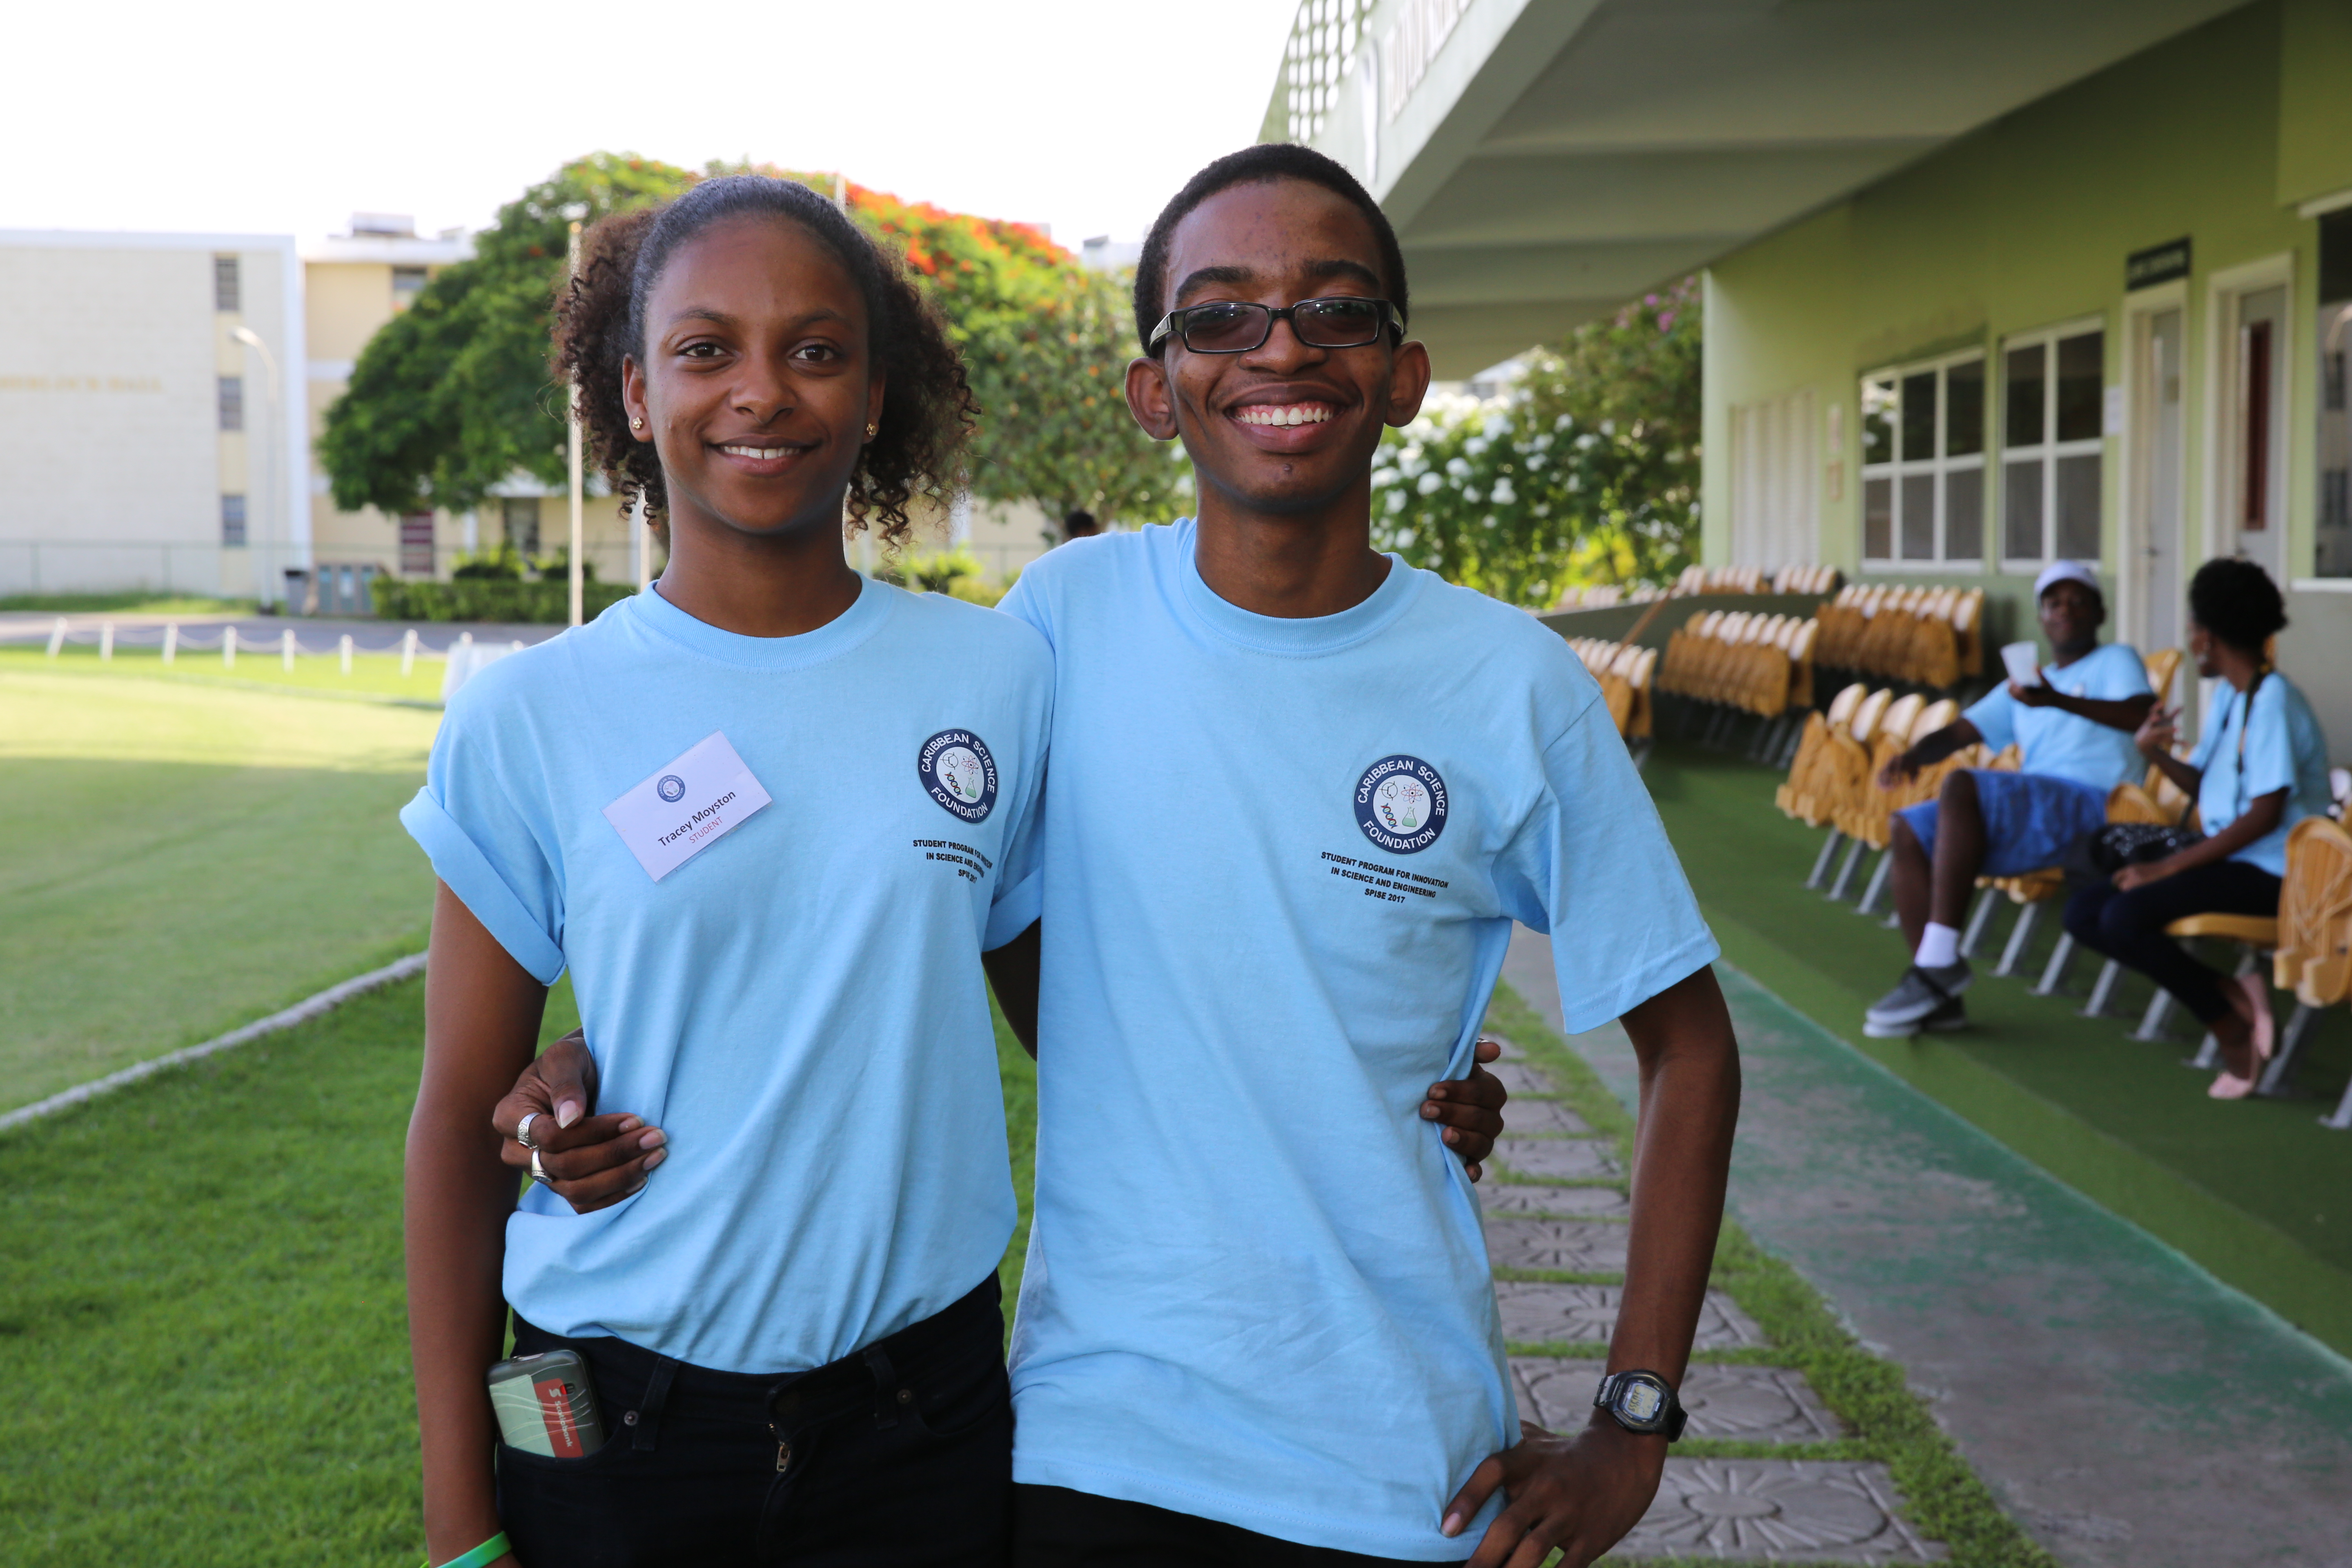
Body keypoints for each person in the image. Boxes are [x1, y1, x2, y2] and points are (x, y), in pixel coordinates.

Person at [499, 145, 1739, 1568]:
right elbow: (884, 884)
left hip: (1402, 1465)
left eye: (1335, 310)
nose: (1281, 345)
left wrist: (1633, 1425)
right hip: (1094, 1450)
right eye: (1219, 314)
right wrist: (606, 1048)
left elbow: (1690, 1047)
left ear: (1403, 375)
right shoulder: (1057, 630)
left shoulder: (1512, 687)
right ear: (1158, 388)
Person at [2065, 557, 2332, 1099]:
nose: (2189, 641)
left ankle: (2228, 1026)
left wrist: (2165, 867)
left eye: (2192, 629)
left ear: (2208, 638)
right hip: (2234, 860)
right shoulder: (2234, 696)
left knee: (2123, 916)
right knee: (2085, 912)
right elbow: (2206, 786)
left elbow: (2264, 813)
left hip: (2278, 877)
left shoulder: (2273, 701)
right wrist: (2155, 753)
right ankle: (2233, 992)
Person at [1864, 562, 2155, 1038]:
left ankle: (1937, 965)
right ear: (2042, 618)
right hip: (2036, 809)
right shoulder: (2024, 687)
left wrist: (2055, 700)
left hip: (2096, 807)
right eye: (2054, 602)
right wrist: (1914, 755)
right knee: (1908, 827)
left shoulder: (2116, 660)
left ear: (2100, 612)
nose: (2066, 610)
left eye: (2078, 600)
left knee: (1964, 784)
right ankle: (1940, 995)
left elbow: (2140, 715)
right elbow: (1961, 731)